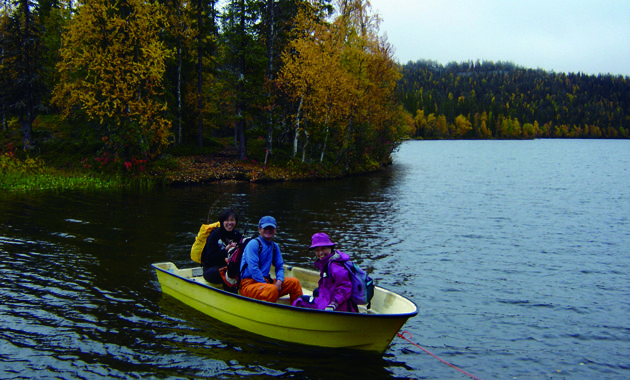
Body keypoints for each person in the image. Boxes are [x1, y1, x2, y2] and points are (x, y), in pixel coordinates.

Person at [238, 216, 303, 303]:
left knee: (294, 283)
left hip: (266, 282)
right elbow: (253, 269)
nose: (268, 230)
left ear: (275, 230)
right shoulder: (253, 244)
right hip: (249, 283)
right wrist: (267, 285)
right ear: (259, 229)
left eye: (271, 228)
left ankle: (298, 309)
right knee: (271, 290)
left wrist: (279, 281)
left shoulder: (274, 246)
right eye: (265, 228)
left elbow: (279, 266)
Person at [292, 232, 358, 312]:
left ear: (330, 248)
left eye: (323, 249)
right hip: (329, 299)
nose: (320, 253)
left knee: (300, 301)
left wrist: (334, 304)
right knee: (317, 291)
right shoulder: (327, 263)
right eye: (317, 250)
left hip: (336, 306)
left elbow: (345, 288)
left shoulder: (335, 266)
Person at [200, 208, 242, 285]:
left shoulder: (237, 235)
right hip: (212, 268)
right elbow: (210, 258)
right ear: (222, 221)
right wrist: (226, 250)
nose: (229, 223)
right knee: (229, 271)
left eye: (232, 220)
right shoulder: (214, 235)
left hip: (230, 267)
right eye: (227, 220)